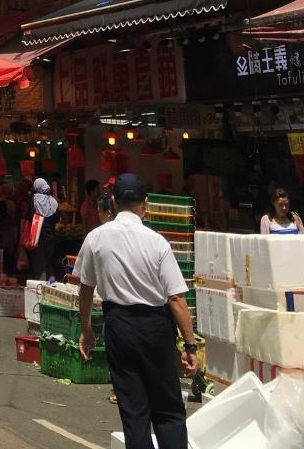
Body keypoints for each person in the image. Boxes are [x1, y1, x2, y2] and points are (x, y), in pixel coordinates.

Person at [75, 173, 197, 449]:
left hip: (119, 326)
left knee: (134, 411)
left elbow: (86, 287)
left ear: (114, 202)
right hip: (155, 326)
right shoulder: (157, 242)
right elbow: (176, 298)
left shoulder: (96, 238)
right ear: (145, 204)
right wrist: (190, 345)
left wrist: (86, 329)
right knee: (168, 410)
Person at [27, 178, 60, 281]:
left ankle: (41, 286)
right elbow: (57, 218)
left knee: (39, 264)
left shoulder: (34, 200)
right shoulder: (53, 201)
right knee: (48, 263)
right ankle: (51, 284)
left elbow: (29, 217)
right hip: (50, 237)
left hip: (37, 237)